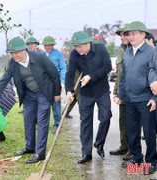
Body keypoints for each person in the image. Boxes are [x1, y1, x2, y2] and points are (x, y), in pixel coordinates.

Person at [0, 37, 61, 164]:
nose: (13, 55)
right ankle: (30, 147)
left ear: (24, 50)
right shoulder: (13, 63)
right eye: (11, 53)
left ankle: (40, 153)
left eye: (16, 53)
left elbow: (54, 74)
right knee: (28, 120)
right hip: (29, 95)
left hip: (43, 93)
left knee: (42, 121)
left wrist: (57, 93)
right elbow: (4, 80)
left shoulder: (39, 57)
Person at [114, 21, 157, 174]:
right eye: (128, 34)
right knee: (132, 131)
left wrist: (154, 98)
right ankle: (137, 157)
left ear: (143, 34)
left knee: (149, 132)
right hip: (130, 100)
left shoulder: (152, 52)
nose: (130, 37)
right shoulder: (127, 52)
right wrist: (120, 94)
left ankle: (152, 161)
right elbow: (124, 76)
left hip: (146, 99)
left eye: (134, 34)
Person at [65, 31, 112, 164]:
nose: (77, 49)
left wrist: (91, 76)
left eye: (79, 46)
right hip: (85, 93)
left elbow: (108, 66)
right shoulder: (74, 54)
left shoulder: (101, 49)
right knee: (85, 122)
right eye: (75, 47)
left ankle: (99, 143)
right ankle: (86, 153)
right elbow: (70, 73)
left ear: (87, 43)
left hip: (102, 91)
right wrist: (69, 91)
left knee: (105, 117)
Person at [109, 24, 133, 161]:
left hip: (134, 93)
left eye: (125, 34)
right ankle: (124, 146)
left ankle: (132, 150)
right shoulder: (121, 50)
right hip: (122, 93)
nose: (123, 37)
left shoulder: (135, 50)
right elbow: (118, 74)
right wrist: (116, 92)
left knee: (133, 122)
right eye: (121, 35)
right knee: (122, 121)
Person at [42, 36, 66, 134]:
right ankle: (43, 125)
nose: (47, 47)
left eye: (49, 45)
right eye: (46, 45)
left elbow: (63, 68)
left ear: (53, 45)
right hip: (43, 84)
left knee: (56, 105)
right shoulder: (41, 55)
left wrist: (62, 82)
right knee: (44, 105)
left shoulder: (59, 54)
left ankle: (57, 124)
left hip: (55, 83)